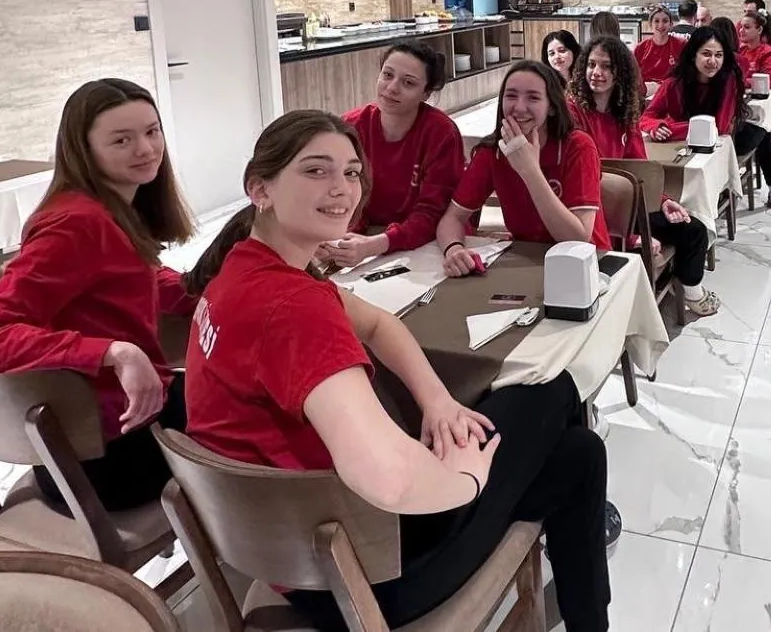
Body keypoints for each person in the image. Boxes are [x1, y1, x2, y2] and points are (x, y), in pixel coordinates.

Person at [184, 111, 609, 631]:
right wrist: (468, 480)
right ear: (260, 189)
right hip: (362, 576)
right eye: (316, 170)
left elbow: (378, 323)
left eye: (351, 172)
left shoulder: (241, 270)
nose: (341, 189)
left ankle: (590, 619)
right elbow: (388, 480)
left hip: (298, 550)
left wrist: (437, 400)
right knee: (550, 392)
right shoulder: (293, 308)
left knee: (578, 455)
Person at [0, 79, 196, 511]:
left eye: (152, 131)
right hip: (102, 460)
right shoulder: (76, 224)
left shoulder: (108, 208)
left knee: (231, 387)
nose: (145, 149)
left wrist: (217, 282)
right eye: (121, 140)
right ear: (84, 150)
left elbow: (141, 279)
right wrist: (113, 352)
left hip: (100, 432)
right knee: (267, 416)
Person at [568, 37, 720, 316]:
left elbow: (639, 169)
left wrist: (662, 200)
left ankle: (691, 291)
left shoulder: (624, 115)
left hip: (629, 206)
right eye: (591, 65)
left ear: (620, 73)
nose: (596, 72)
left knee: (693, 229)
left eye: (606, 66)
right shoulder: (572, 114)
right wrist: (632, 236)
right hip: (591, 212)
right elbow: (580, 185)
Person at [438, 61, 611, 271]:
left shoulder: (578, 147)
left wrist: (529, 170)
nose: (519, 107)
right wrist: (454, 249)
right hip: (528, 259)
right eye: (511, 96)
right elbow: (453, 218)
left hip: (587, 264)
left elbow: (577, 239)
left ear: (552, 107)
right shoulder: (492, 151)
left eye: (533, 98)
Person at [326, 41, 464, 266]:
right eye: (387, 75)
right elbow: (342, 196)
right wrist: (339, 240)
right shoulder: (352, 126)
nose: (391, 88)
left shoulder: (441, 133)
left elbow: (433, 215)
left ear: (426, 93)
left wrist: (373, 245)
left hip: (426, 245)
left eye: (408, 83)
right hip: (368, 240)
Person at [642, 27, 771, 209]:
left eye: (719, 55)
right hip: (679, 146)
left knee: (763, 131)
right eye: (706, 54)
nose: (713, 61)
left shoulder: (729, 80)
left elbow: (719, 127)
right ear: (693, 55)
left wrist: (671, 128)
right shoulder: (673, 84)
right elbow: (647, 116)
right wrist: (656, 126)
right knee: (764, 133)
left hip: (721, 142)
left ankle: (769, 190)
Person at [634, 5, 685, 83]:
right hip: (646, 89)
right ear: (650, 24)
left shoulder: (681, 45)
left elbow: (686, 74)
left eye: (665, 21)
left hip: (671, 89)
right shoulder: (640, 48)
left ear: (671, 24)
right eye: (656, 21)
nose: (661, 25)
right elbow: (633, 76)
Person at [737, 11, 771, 91]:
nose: (741, 30)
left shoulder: (767, 54)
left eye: (746, 27)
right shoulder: (742, 50)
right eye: (741, 27)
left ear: (759, 30)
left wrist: (744, 82)